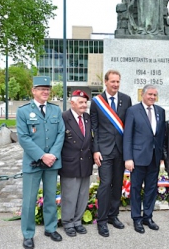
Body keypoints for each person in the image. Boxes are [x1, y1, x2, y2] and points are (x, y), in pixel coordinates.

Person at [16, 76, 65, 249]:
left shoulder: (55, 110)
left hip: (52, 162)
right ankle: (28, 234)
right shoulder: (23, 111)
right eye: (41, 88)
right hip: (33, 163)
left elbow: (61, 133)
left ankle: (50, 228)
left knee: (51, 198)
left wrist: (52, 154)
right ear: (33, 91)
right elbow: (23, 137)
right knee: (29, 201)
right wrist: (42, 155)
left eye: (47, 89)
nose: (45, 91)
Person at [90, 70, 132, 237]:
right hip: (104, 151)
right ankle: (101, 220)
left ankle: (113, 216)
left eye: (118, 81)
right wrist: (95, 150)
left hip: (120, 151)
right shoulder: (96, 102)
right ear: (106, 82)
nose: (115, 84)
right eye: (112, 81)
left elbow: (128, 127)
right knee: (105, 184)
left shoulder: (126, 99)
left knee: (117, 185)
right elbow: (95, 128)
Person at [123, 84, 166, 234]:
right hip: (137, 157)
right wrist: (128, 158)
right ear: (143, 94)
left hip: (154, 158)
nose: (152, 97)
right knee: (135, 189)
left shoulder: (160, 111)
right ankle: (136, 218)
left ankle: (148, 216)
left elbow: (161, 136)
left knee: (151, 189)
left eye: (155, 95)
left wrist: (162, 157)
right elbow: (127, 136)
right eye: (150, 94)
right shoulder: (133, 111)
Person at [59, 90, 93, 237]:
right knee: (69, 195)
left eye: (85, 102)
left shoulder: (87, 118)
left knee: (83, 194)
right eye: (80, 102)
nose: (84, 105)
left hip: (85, 162)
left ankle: (77, 221)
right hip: (70, 162)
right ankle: (68, 222)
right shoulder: (63, 117)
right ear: (72, 103)